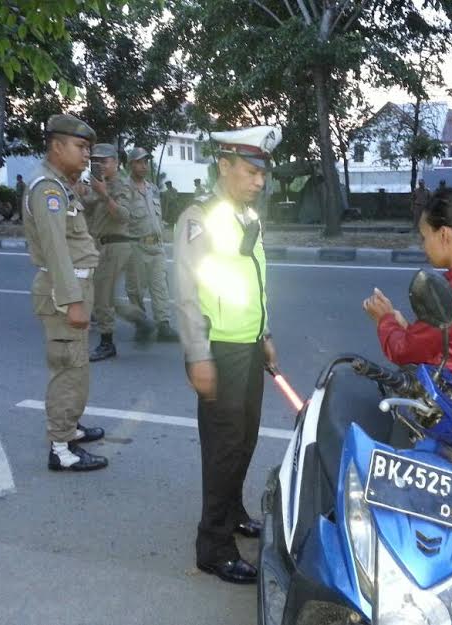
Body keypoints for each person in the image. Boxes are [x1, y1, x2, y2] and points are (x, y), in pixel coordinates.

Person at [173, 125, 282, 584]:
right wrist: (198, 355)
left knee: (244, 438)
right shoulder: (200, 218)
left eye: (263, 173)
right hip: (219, 351)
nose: (260, 181)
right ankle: (214, 547)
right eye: (251, 171)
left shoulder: (246, 217)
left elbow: (252, 285)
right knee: (222, 448)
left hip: (249, 346)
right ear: (224, 166)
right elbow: (185, 291)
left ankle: (233, 511)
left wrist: (265, 334)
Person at [22, 113, 107, 472]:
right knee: (68, 369)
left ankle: (70, 426)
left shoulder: (62, 185)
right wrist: (73, 301)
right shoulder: (48, 190)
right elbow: (57, 249)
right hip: (63, 292)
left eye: (88, 148)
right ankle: (61, 448)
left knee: (77, 365)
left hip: (74, 287)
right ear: (57, 147)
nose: (86, 154)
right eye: (80, 147)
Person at [363, 188, 452, 394]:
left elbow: (404, 352)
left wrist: (384, 320)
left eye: (425, 236)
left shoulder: (450, 296)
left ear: (444, 234)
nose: (424, 246)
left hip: (445, 405)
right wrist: (408, 328)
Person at [79, 143, 140, 362]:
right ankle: (141, 321)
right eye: (94, 161)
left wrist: (104, 195)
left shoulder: (120, 185)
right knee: (106, 296)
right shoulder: (97, 184)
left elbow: (124, 215)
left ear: (115, 162)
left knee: (101, 295)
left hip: (115, 245)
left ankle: (107, 343)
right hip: (100, 245)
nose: (99, 165)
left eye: (104, 161)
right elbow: (87, 206)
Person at [122, 148, 179, 342]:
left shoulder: (152, 188)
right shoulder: (123, 189)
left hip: (157, 246)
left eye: (146, 162)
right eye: (139, 162)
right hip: (135, 247)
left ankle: (163, 325)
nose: (144, 166)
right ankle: (140, 323)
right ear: (131, 165)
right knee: (136, 289)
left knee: (160, 287)